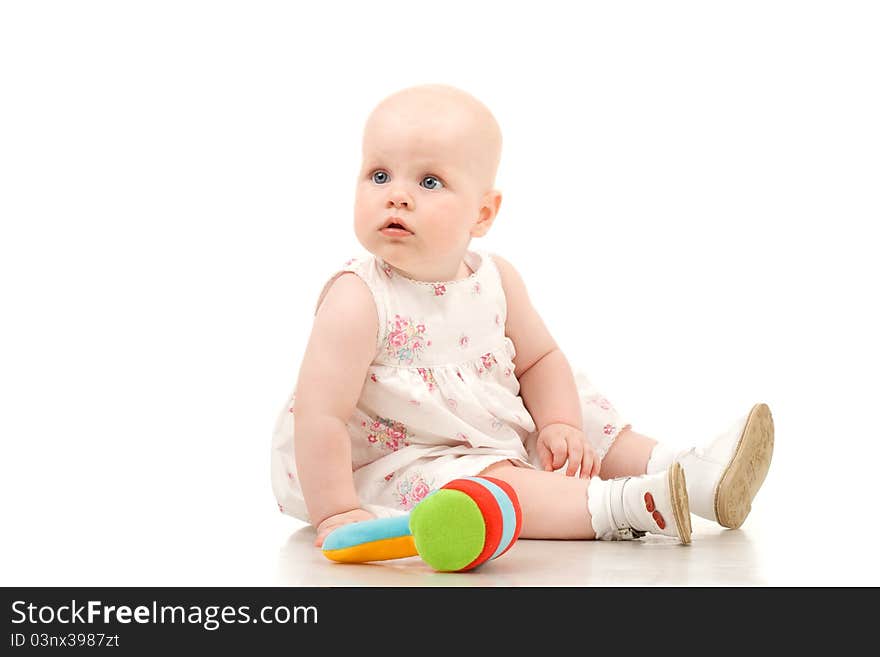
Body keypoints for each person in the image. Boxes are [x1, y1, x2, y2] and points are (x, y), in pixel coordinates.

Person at [271, 83, 774, 549]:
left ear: (483, 214)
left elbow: (539, 360)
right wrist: (336, 510)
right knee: (484, 485)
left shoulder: (496, 279)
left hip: (489, 419)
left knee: (579, 411)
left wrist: (560, 425)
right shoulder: (359, 299)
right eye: (379, 175)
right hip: (404, 457)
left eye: (429, 181)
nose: (397, 194)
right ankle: (630, 504)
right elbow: (322, 416)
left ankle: (689, 472)